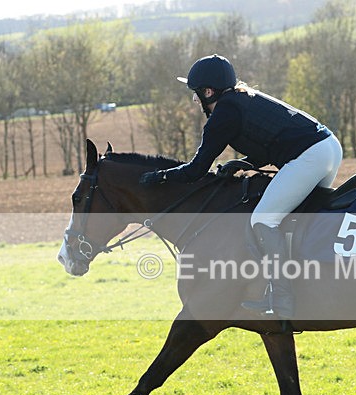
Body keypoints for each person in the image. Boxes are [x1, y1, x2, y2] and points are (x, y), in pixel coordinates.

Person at [140, 54, 343, 319]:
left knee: (262, 220)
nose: (194, 100)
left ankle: (281, 299)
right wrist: (243, 162)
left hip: (310, 156)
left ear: (208, 92)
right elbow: (270, 144)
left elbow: (196, 169)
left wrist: (162, 177)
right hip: (329, 148)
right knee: (292, 220)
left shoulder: (223, 114)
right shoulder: (243, 97)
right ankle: (304, 288)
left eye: (195, 93)